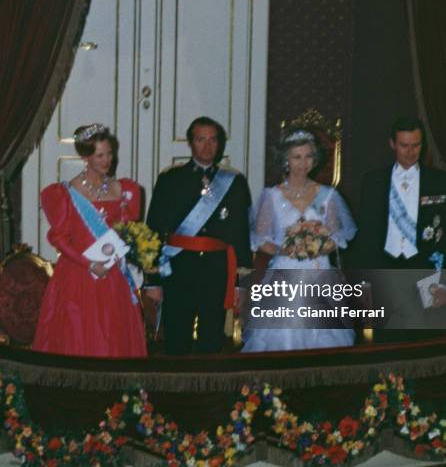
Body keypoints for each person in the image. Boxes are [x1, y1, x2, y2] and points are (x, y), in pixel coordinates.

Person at [32, 124, 147, 357]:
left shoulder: (124, 190)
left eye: (110, 154)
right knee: (78, 335)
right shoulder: (64, 193)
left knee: (114, 336)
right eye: (100, 155)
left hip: (112, 274)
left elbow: (128, 231)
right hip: (77, 275)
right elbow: (59, 238)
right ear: (86, 157)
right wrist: (89, 264)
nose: (107, 161)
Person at [241, 127, 357, 352]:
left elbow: (338, 235)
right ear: (286, 160)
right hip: (286, 273)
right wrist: (288, 249)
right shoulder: (271, 196)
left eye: (308, 156)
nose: (303, 163)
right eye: (297, 157)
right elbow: (260, 239)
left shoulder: (328, 195)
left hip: (320, 270)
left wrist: (320, 246)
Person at [145, 116, 252, 354]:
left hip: (216, 270)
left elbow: (241, 235)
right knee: (176, 338)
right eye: (201, 139)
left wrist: (240, 284)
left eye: (213, 140)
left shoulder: (234, 182)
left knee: (212, 340)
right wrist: (152, 280)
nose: (207, 146)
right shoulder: (170, 179)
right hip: (178, 269)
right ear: (190, 143)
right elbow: (152, 230)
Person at [355, 117, 446, 331]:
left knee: (424, 341)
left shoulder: (442, 182)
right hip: (383, 273)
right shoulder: (373, 181)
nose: (410, 151)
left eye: (416, 145)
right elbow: (365, 236)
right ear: (392, 144)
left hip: (425, 273)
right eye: (404, 145)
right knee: (384, 344)